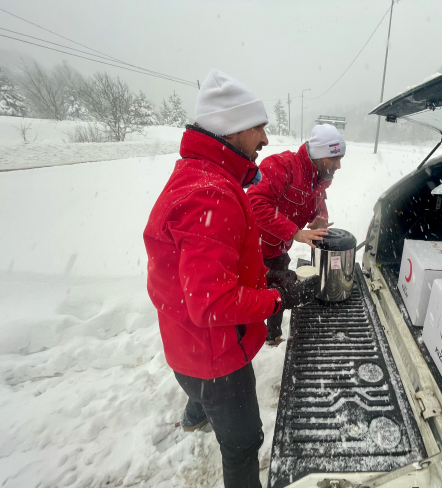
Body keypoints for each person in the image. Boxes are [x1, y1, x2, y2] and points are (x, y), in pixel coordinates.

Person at [143, 69, 317, 488]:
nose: (265, 139)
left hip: (187, 344)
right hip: (216, 356)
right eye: (258, 127)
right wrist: (275, 297)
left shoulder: (203, 175)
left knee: (201, 393)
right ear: (232, 128)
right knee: (243, 442)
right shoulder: (211, 193)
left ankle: (195, 414)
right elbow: (213, 303)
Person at [247, 123, 345, 343]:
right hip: (254, 247)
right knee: (251, 298)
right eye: (335, 158)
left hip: (278, 247)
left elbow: (316, 202)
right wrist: (295, 233)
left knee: (278, 292)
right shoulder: (282, 166)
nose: (339, 165)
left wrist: (318, 218)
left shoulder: (321, 176)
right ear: (320, 155)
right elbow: (255, 203)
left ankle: (273, 336)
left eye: (341, 158)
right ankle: (247, 341)